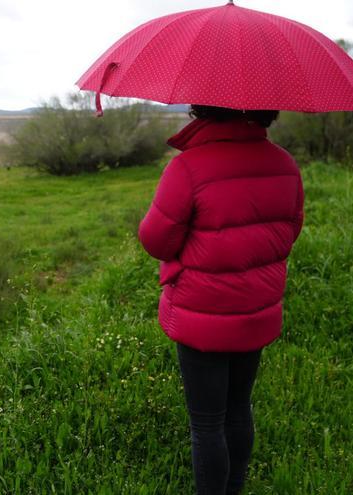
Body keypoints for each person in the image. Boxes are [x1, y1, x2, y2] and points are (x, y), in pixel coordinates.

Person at [137, 105, 304, 495]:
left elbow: (156, 240)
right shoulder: (284, 164)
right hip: (257, 309)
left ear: (204, 108)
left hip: (202, 314)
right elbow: (289, 231)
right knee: (238, 408)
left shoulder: (189, 168)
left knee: (207, 423)